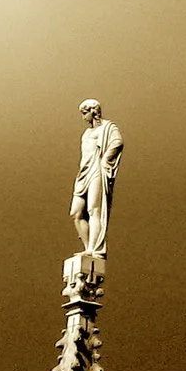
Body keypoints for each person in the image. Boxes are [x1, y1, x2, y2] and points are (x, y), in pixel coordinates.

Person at [71, 100, 122, 258]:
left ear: (93, 111)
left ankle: (94, 249)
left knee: (94, 209)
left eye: (84, 113)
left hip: (97, 170)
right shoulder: (86, 133)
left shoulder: (108, 127)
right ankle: (87, 246)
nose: (83, 117)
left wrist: (105, 159)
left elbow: (117, 142)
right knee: (76, 213)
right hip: (84, 172)